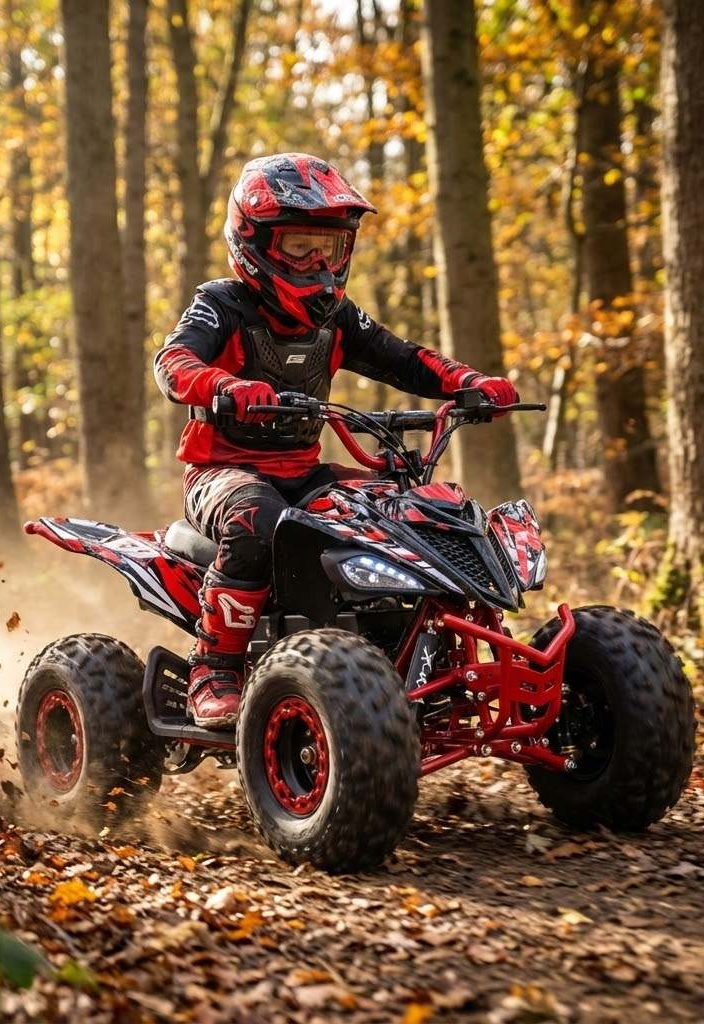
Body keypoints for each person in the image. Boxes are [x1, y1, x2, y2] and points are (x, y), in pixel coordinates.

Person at [155, 152, 517, 728]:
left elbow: (403, 359)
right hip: (222, 474)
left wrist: (467, 382)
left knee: (402, 510)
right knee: (255, 518)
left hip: (305, 473)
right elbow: (172, 361)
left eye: (331, 247)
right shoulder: (221, 304)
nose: (319, 263)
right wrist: (224, 386)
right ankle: (214, 669)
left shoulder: (337, 317)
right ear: (255, 241)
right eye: (300, 247)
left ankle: (410, 658)